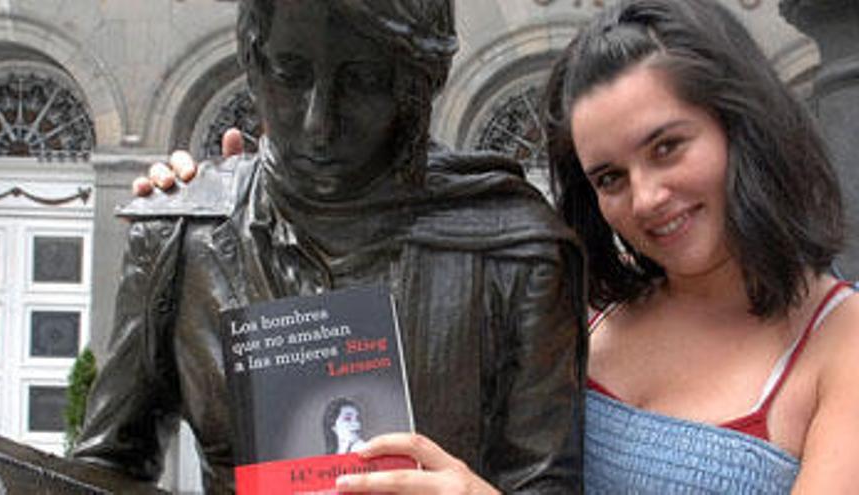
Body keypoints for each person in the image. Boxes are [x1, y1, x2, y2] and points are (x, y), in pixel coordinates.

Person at [71, 0, 586, 493]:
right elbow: (105, 464)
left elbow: (543, 482)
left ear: (419, 80)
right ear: (252, 61)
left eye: (362, 80)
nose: (319, 124)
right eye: (290, 74)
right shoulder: (181, 236)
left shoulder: (516, 254)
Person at [539, 0, 859, 492]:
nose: (645, 199)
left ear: (742, 127)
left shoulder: (844, 345)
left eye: (666, 148)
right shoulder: (584, 311)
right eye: (610, 178)